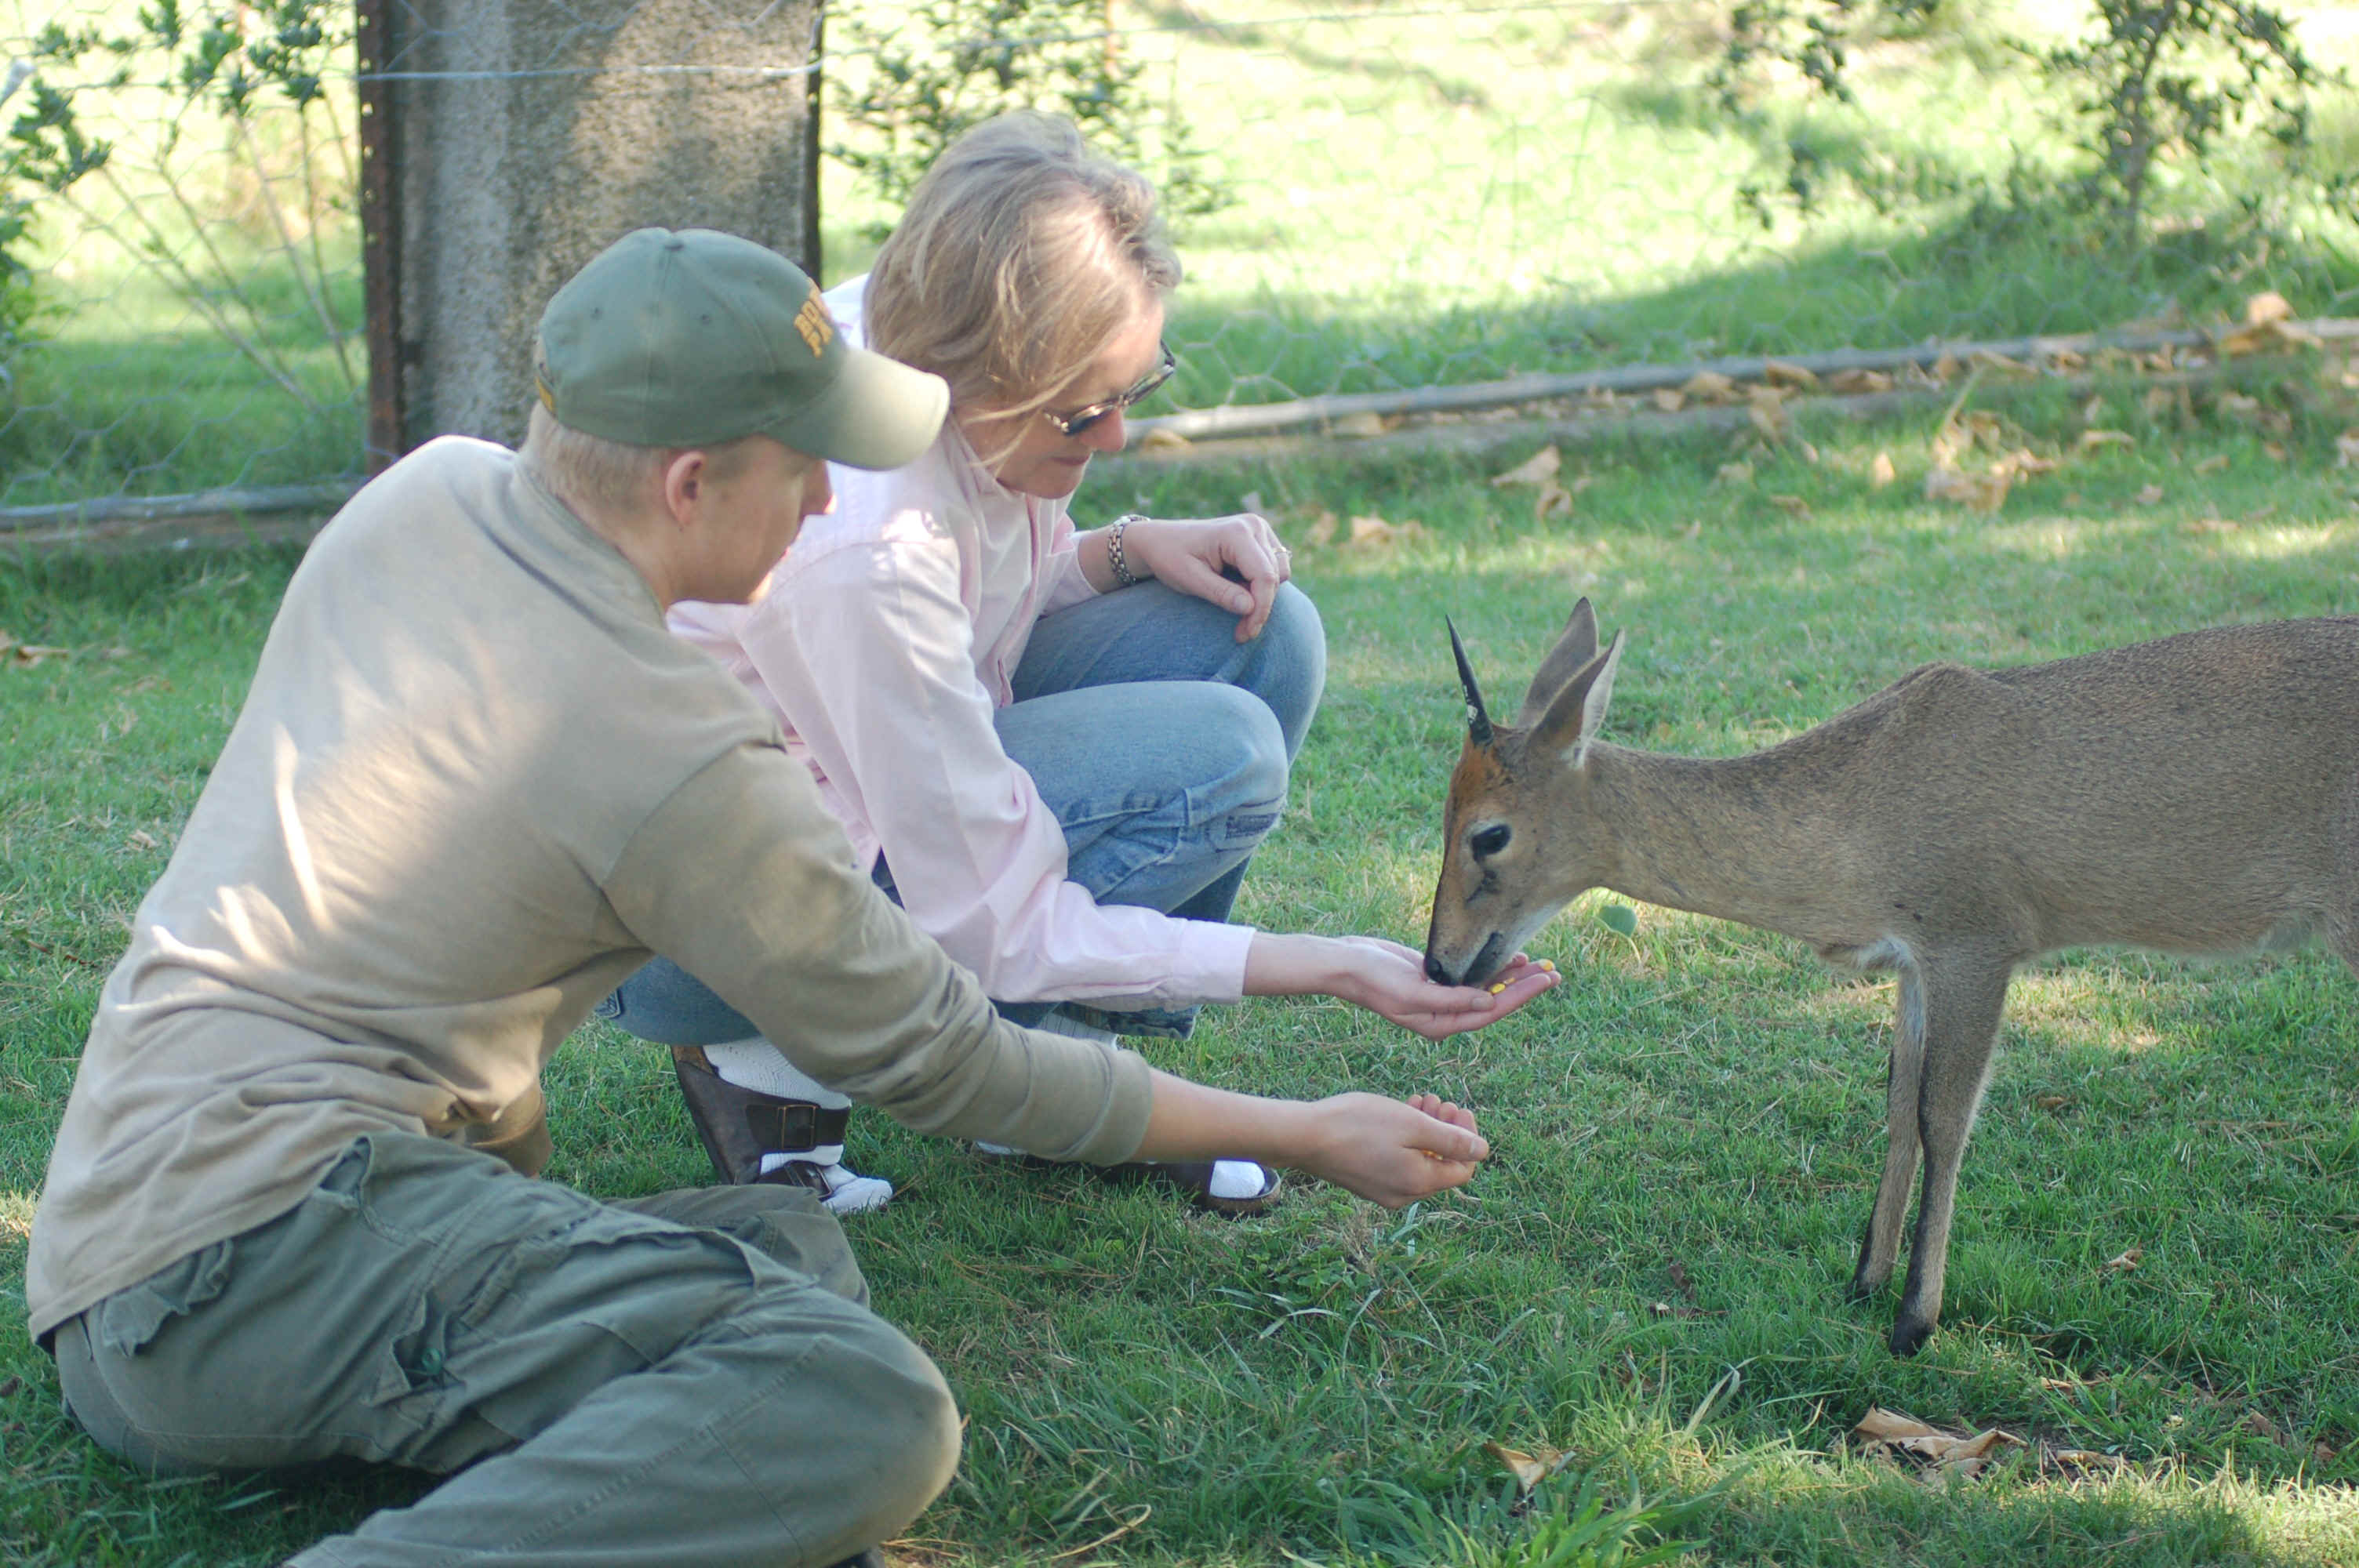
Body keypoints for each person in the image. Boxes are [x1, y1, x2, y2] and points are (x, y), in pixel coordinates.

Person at [24, 227, 1505, 1568]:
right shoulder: (667, 743)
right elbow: (949, 1057)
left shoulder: (425, 497)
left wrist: (503, 1198)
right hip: (235, 1272)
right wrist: (1303, 1133)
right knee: (865, 1408)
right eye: (804, 467)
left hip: (155, 1210)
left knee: (787, 1252)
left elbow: (447, 985)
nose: (822, 499)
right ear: (689, 484)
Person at [604, 114, 1554, 1216]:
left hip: (860, 765)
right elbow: (991, 917)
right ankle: (791, 1065)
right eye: (1082, 411)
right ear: (965, 375)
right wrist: (1333, 962)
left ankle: (1070, 1081)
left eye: (1134, 391)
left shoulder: (912, 333)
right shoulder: (867, 548)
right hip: (705, 928)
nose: (1113, 442)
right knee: (1222, 758)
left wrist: (1127, 545)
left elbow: (980, 590)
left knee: (1268, 632)